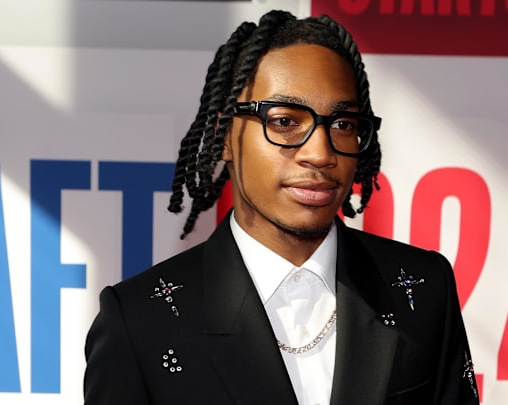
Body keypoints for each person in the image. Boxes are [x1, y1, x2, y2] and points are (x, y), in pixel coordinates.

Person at [84, 9, 479, 405]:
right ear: (225, 136)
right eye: (286, 121)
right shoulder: (139, 321)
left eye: (342, 124)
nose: (320, 153)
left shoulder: (422, 289)